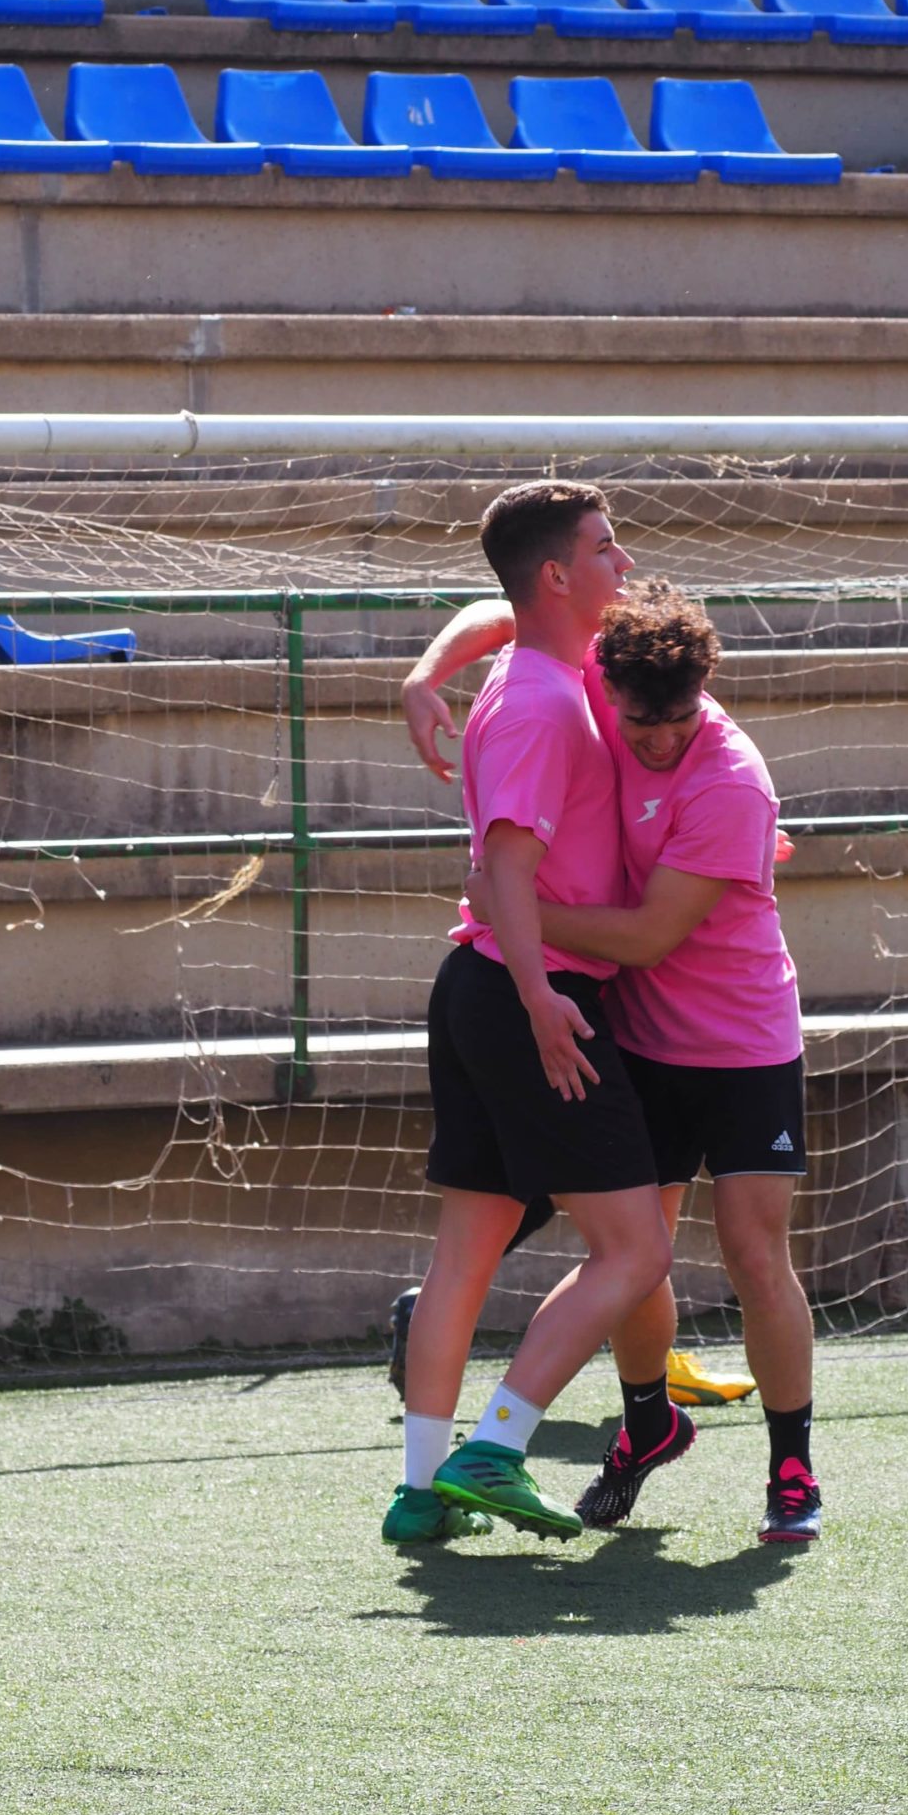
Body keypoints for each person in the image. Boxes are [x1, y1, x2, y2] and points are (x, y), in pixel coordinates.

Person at [404, 578, 822, 1548]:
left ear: (703, 697)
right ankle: (644, 1424)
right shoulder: (597, 674)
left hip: (745, 1043)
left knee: (757, 1256)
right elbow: (510, 611)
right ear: (614, 686)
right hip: (640, 1034)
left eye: (679, 721)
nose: (659, 740)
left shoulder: (730, 780)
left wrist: (505, 901)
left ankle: (792, 1467)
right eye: (643, 722)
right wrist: (427, 674)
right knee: (636, 1255)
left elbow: (644, 935)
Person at [385, 482, 676, 1548]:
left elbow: (497, 609)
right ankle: (496, 1447)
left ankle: (422, 1490)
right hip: (525, 992)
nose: (625, 559)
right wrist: (542, 998)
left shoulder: (539, 651)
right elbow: (502, 864)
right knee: (634, 1248)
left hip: (483, 984)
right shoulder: (548, 702)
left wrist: (424, 672)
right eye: (606, 548)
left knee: (469, 1246)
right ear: (559, 573)